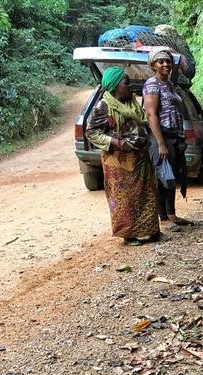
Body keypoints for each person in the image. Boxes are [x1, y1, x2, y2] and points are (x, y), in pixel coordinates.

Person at [86, 67, 159, 245]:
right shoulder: (103, 106)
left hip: (139, 158)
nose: (130, 87)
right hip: (118, 162)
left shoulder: (132, 103)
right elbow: (91, 132)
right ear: (114, 86)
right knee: (124, 198)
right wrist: (116, 142)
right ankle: (129, 234)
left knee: (147, 194)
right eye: (126, 83)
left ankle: (151, 231)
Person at [143, 47, 190, 228]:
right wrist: (160, 143)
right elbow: (151, 115)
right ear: (153, 65)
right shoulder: (152, 84)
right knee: (162, 176)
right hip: (160, 136)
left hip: (174, 137)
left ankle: (172, 214)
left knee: (171, 176)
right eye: (160, 61)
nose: (165, 64)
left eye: (168, 61)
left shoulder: (170, 85)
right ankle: (163, 218)